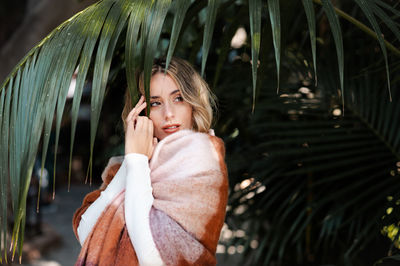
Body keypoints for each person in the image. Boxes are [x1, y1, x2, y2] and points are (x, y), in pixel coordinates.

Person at [72, 57, 229, 266]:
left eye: (179, 98)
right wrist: (132, 161)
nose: (169, 114)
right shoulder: (130, 166)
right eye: (156, 103)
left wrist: (136, 162)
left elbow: (155, 259)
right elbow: (86, 234)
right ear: (142, 112)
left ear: (193, 104)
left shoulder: (204, 164)